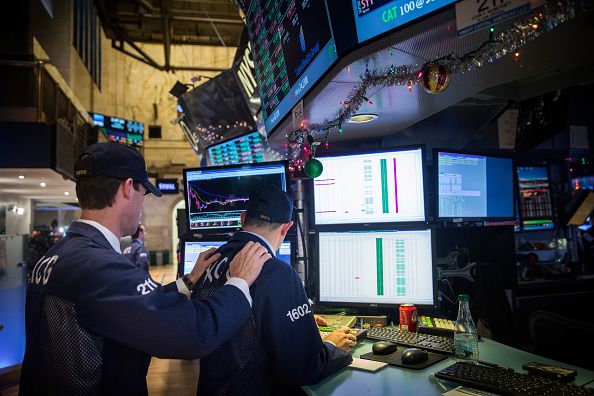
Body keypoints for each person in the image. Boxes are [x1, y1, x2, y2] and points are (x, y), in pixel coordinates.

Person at [19, 142, 271, 395]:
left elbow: (129, 309)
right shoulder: (103, 268)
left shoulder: (55, 255)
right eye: (144, 194)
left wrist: (189, 280)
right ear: (129, 188)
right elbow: (193, 334)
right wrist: (239, 282)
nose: (142, 206)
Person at [192, 185, 355, 396]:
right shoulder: (277, 272)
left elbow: (243, 325)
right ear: (287, 228)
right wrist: (333, 346)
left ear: (242, 219)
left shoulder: (208, 263)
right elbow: (302, 368)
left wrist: (293, 322)